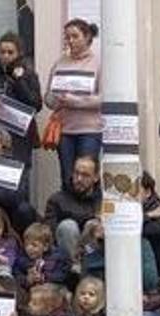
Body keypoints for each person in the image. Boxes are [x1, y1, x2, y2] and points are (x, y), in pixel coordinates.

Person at [44, 19, 103, 191]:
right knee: (67, 176)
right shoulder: (60, 62)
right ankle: (68, 215)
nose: (70, 40)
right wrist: (54, 99)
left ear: (87, 37)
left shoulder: (98, 63)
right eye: (67, 37)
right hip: (64, 130)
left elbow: (103, 99)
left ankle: (89, 216)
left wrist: (76, 102)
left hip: (89, 130)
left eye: (75, 36)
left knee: (86, 177)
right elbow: (48, 97)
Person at [0, 31, 43, 173]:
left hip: (19, 134)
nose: (6, 56)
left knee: (18, 175)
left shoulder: (28, 74)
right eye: (2, 52)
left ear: (19, 53)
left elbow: (36, 105)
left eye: (11, 52)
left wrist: (19, 80)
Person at [44, 155, 102, 261]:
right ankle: (75, 269)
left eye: (85, 175)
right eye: (76, 173)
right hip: (65, 254)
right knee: (68, 226)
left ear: (96, 177)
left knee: (94, 225)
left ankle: (89, 267)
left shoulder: (104, 201)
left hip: (93, 252)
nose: (79, 179)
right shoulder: (57, 199)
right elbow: (48, 234)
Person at [14, 222, 71, 291]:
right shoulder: (22, 259)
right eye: (26, 244)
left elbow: (61, 276)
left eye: (34, 245)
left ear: (45, 247)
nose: (29, 248)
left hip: (52, 291)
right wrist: (27, 280)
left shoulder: (58, 258)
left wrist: (44, 277)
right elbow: (17, 274)